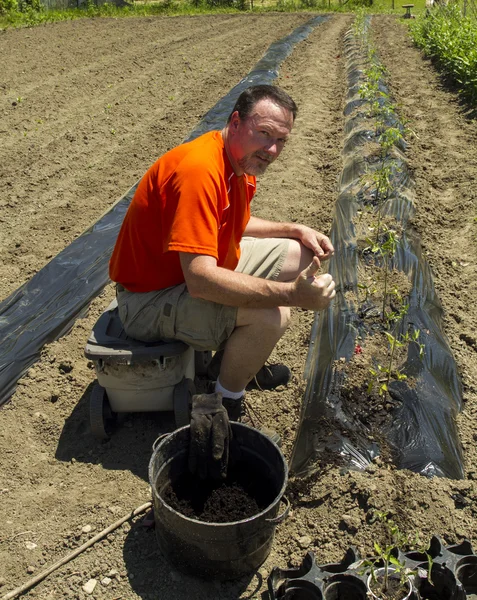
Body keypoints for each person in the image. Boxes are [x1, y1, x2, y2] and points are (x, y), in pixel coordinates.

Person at [109, 84, 336, 422]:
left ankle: (234, 361)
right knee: (272, 315)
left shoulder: (240, 162)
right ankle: (224, 400)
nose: (272, 149)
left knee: (302, 254)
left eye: (281, 140)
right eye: (264, 133)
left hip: (189, 271)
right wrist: (292, 295)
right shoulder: (200, 170)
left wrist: (293, 229)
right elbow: (200, 280)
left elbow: (233, 220)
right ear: (235, 121)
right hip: (148, 300)